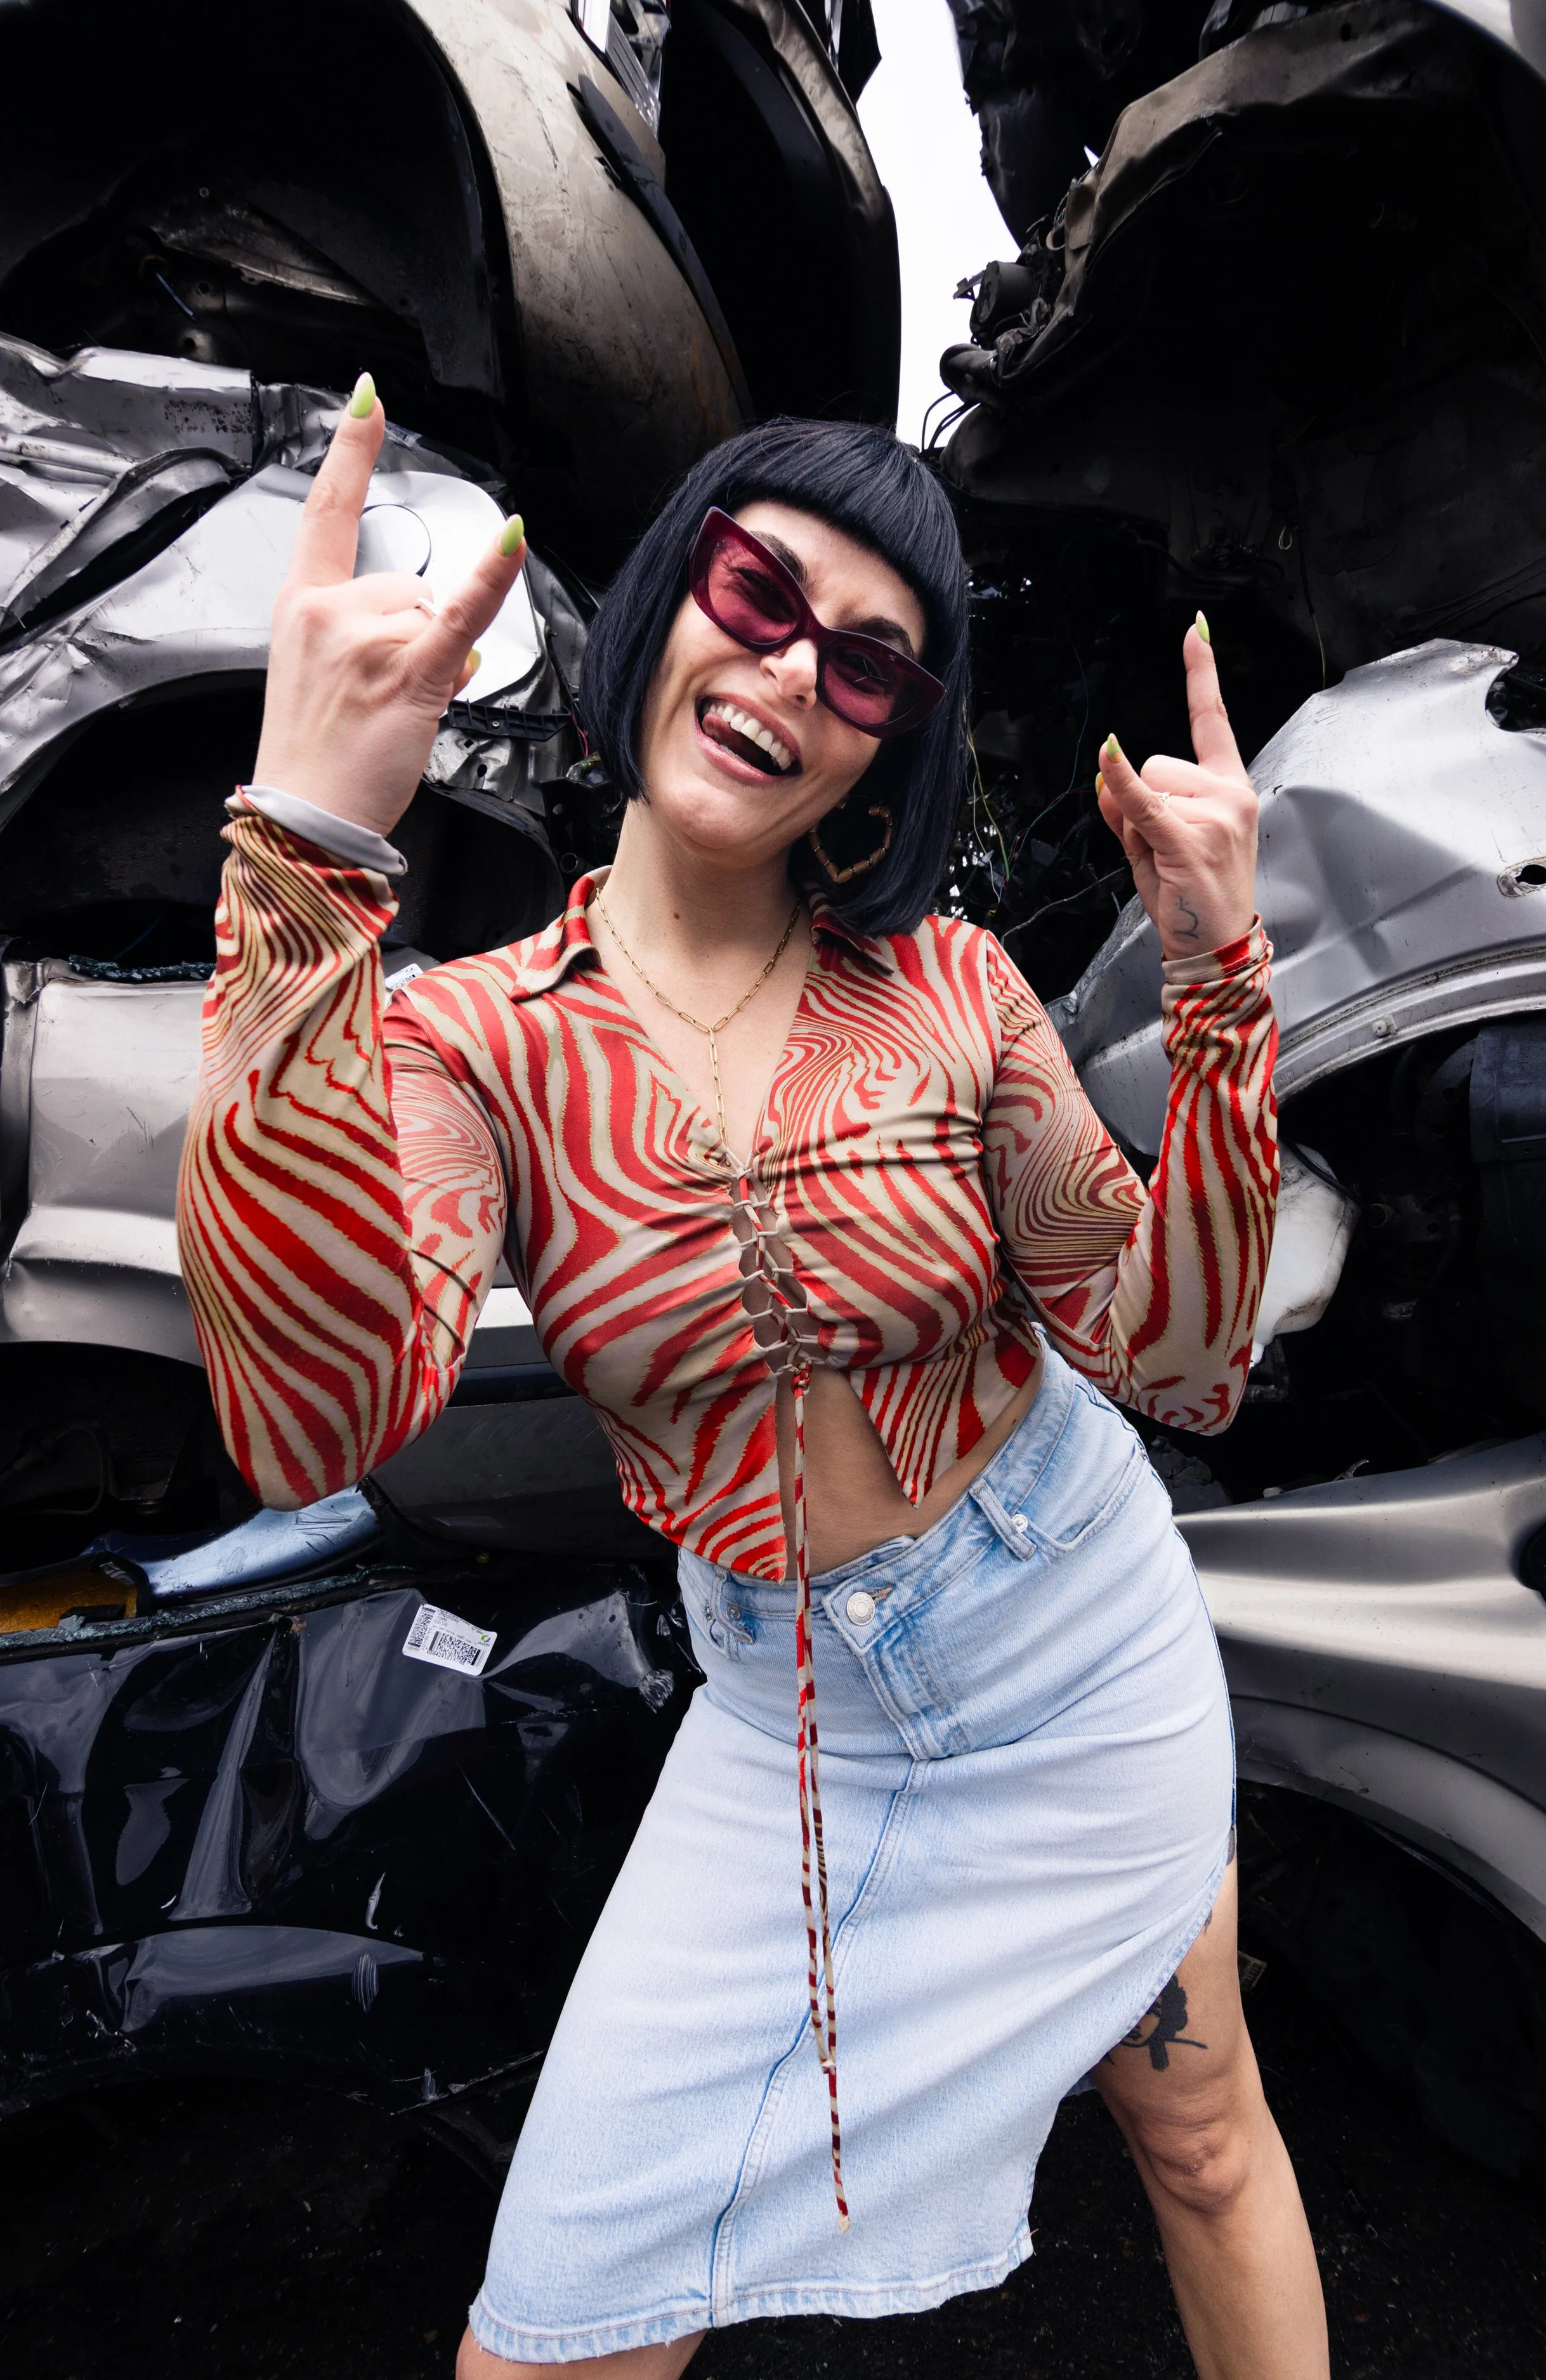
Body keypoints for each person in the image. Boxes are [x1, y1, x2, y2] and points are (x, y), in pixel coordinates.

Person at [177, 377, 1328, 2379]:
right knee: (553, 2332)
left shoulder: (950, 987)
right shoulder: (476, 1045)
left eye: (870, 660)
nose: (794, 666)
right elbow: (310, 1424)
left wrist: (1223, 979)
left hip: (1075, 1640)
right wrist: (303, 854)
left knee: (1203, 2135)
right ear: (664, 609)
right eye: (755, 587)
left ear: (894, 737)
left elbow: (1181, 1356)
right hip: (798, 1720)